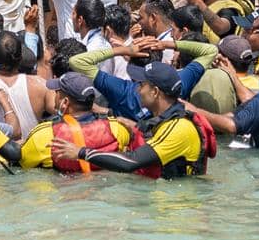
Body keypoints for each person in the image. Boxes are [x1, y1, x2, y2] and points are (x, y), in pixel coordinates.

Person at [48, 60, 215, 174]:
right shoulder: (166, 120)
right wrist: (136, 128)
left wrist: (81, 152)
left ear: (155, 92)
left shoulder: (179, 128)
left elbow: (131, 162)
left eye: (141, 85)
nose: (137, 89)